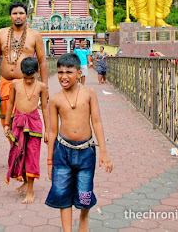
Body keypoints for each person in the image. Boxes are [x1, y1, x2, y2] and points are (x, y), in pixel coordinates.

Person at [46, 54, 113, 231]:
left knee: (85, 194)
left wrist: (104, 152)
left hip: (86, 151)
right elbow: (52, 131)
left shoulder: (89, 94)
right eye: (60, 72)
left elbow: (96, 122)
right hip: (62, 152)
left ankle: (84, 220)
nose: (64, 76)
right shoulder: (55, 99)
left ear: (79, 73)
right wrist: (49, 160)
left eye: (69, 72)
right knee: (61, 192)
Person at [0, 1, 48, 133]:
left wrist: (45, 88)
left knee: (23, 122)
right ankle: (16, 151)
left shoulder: (35, 35)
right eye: (15, 13)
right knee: (7, 123)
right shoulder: (1, 33)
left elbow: (42, 62)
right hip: (5, 84)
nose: (18, 16)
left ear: (26, 16)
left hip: (26, 84)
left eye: (21, 13)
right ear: (10, 16)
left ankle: (21, 152)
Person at [4, 57, 49, 203]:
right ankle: (24, 181)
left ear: (37, 72)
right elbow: (10, 103)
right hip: (18, 122)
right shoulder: (16, 84)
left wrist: (48, 130)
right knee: (18, 153)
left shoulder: (42, 86)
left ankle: (31, 190)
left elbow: (45, 108)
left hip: (34, 123)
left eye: (31, 77)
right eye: (25, 77)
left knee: (32, 155)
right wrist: (6, 124)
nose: (28, 81)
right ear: (21, 73)